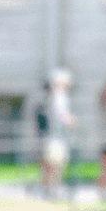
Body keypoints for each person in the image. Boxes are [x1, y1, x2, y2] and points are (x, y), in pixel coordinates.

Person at [35, 70, 75, 199]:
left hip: (55, 136)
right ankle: (52, 189)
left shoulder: (53, 97)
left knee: (52, 163)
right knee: (55, 164)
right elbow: (62, 115)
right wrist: (71, 121)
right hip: (55, 137)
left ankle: (48, 188)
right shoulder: (58, 96)